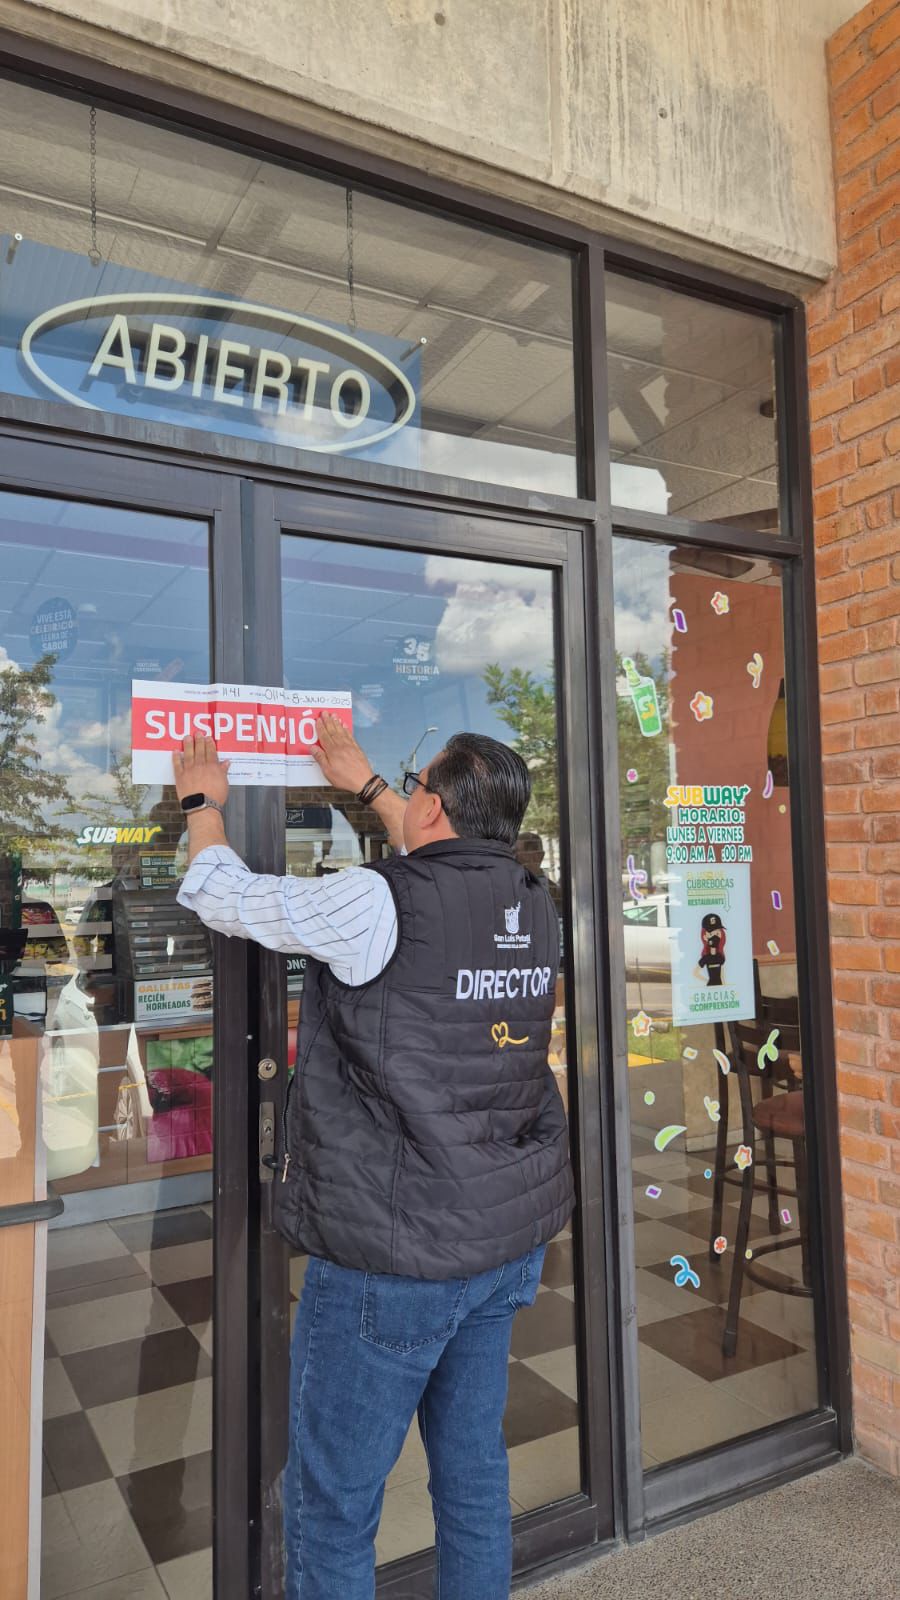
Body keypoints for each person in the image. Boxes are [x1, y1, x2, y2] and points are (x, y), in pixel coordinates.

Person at [174, 718, 574, 1600]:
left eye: (412, 783)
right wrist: (364, 787)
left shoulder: (377, 899)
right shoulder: (530, 898)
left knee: (332, 1502)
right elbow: (443, 865)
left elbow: (226, 896)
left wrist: (204, 808)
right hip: (500, 1241)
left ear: (432, 802)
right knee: (471, 1474)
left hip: (397, 1256)